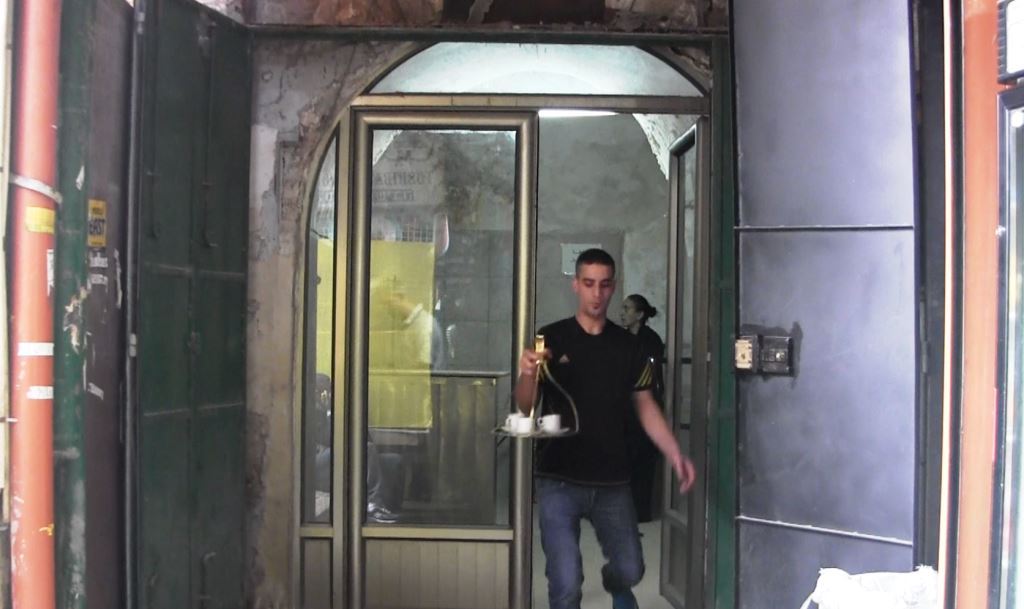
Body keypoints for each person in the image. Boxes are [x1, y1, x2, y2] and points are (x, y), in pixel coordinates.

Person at [514, 249, 696, 609]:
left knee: (630, 569)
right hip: (558, 477)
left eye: (605, 285)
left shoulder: (629, 347)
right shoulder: (549, 338)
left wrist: (674, 452)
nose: (597, 294)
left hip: (612, 479)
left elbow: (646, 405)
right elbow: (524, 405)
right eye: (589, 284)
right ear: (576, 286)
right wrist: (528, 373)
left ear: (613, 288)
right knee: (565, 585)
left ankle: (617, 586)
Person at [620, 294, 666, 523]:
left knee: (643, 459)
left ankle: (641, 511)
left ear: (639, 314)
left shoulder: (651, 340)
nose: (622, 313)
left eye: (627, 308)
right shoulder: (619, 338)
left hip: (645, 405)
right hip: (624, 407)